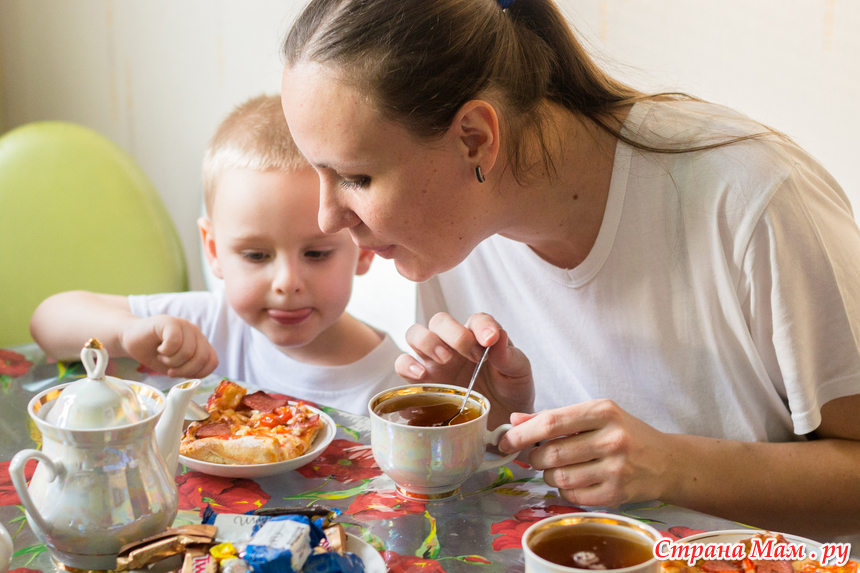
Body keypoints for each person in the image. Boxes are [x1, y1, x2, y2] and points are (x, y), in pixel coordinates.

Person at [279, 0, 860, 538]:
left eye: (355, 178)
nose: (329, 218)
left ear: (475, 139)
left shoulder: (751, 201)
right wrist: (494, 432)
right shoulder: (449, 237)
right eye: (319, 174)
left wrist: (673, 467)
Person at [29, 94, 404, 416]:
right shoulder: (208, 327)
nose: (287, 282)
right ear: (213, 250)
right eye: (256, 256)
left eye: (317, 253)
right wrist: (126, 334)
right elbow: (48, 320)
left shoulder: (397, 382)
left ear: (364, 247)